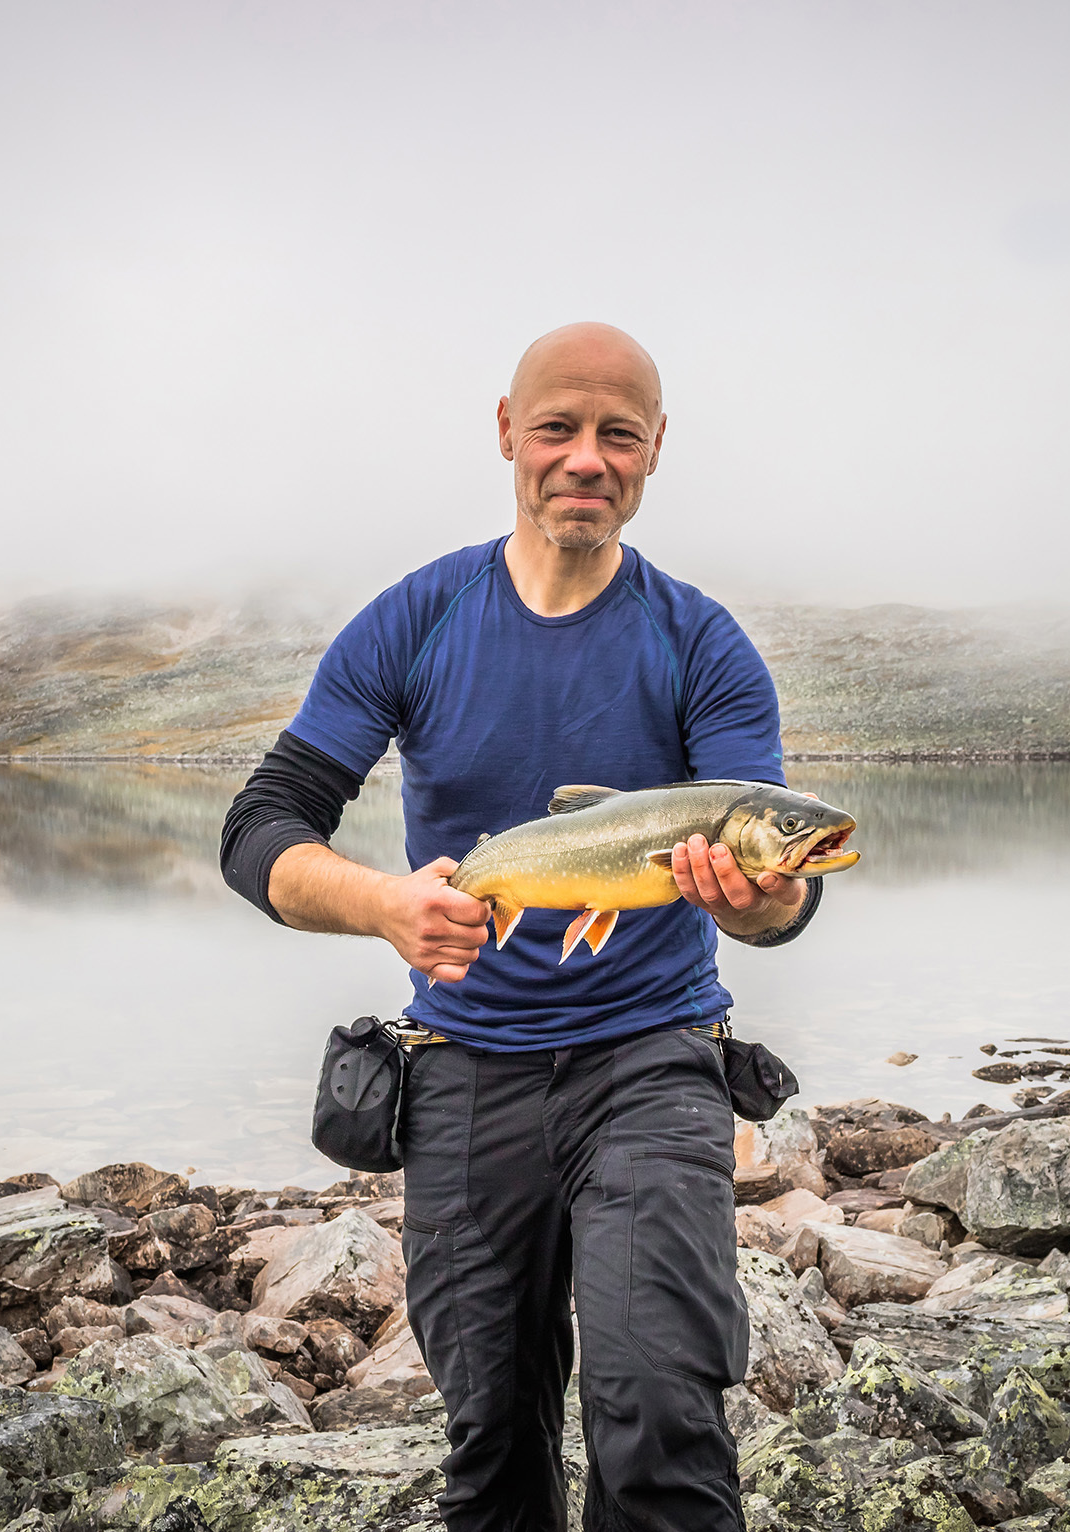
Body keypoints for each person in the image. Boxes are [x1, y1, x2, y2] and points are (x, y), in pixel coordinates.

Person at [219, 322, 820, 1531]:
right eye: (557, 427)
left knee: (659, 1407)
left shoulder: (702, 644)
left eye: (616, 433)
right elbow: (260, 832)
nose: (584, 459)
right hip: (460, 1070)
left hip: (653, 1059)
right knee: (489, 1434)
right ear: (507, 431)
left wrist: (764, 897)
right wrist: (386, 905)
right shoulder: (416, 617)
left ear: (655, 449)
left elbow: (780, 902)